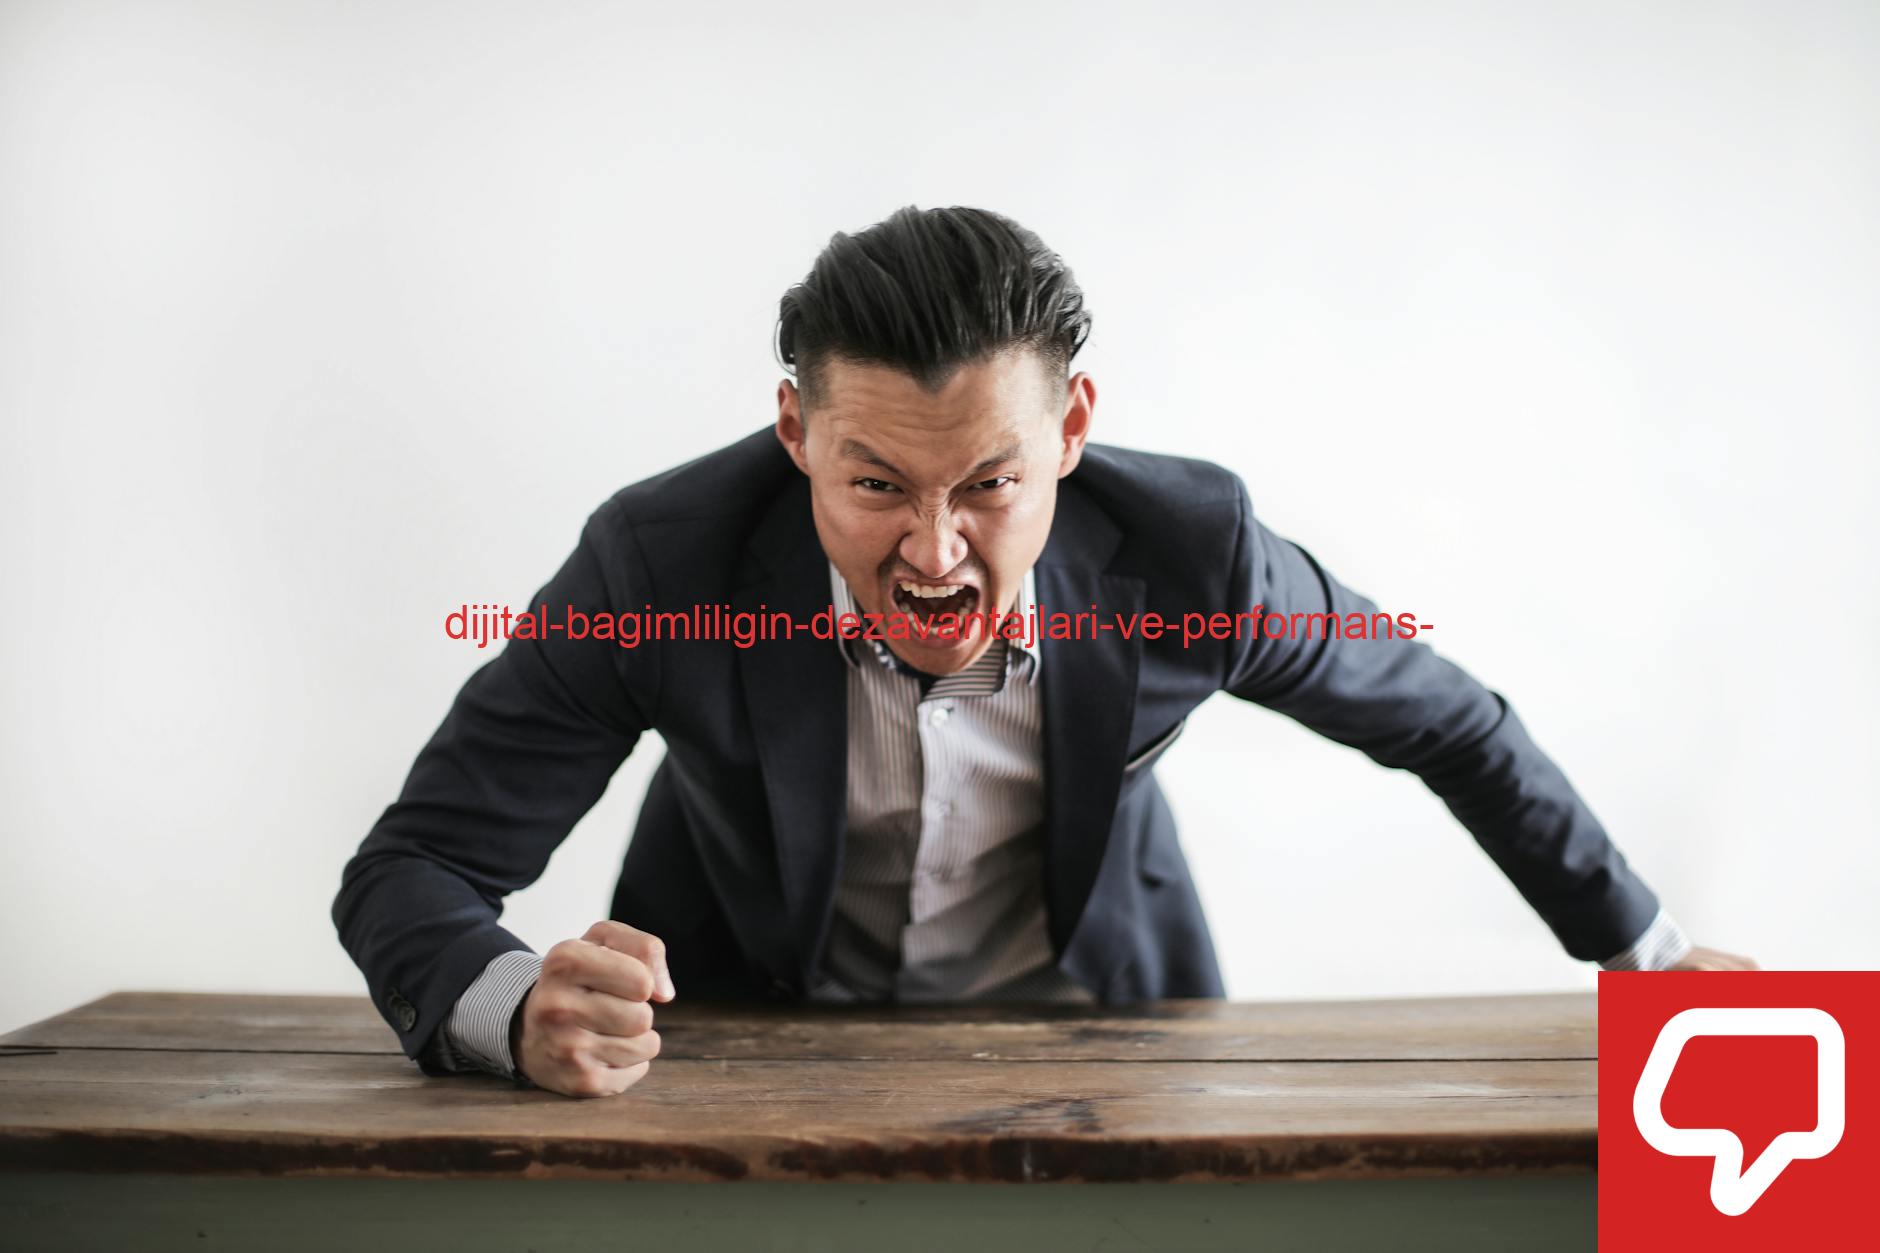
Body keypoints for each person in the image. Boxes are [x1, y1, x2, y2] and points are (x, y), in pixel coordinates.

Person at [332, 204, 1757, 1099]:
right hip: (743, 1048)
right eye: (876, 484)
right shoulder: (661, 565)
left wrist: (1651, 954)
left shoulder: (1191, 553)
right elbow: (412, 869)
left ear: (1072, 433)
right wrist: (512, 1007)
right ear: (794, 438)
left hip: (1108, 1039)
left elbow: (1445, 721)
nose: (935, 552)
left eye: (990, 485)